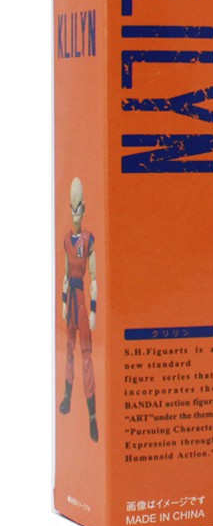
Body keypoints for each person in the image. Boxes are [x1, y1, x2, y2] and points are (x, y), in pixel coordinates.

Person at [59, 177, 99, 442]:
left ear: (83, 209)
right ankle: (66, 396)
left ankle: (92, 416)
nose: (75, 214)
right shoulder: (66, 240)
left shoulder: (88, 239)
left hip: (82, 300)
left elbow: (94, 278)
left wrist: (93, 309)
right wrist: (63, 302)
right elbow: (65, 274)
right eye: (71, 208)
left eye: (78, 209)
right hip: (71, 300)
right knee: (68, 350)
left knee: (86, 354)